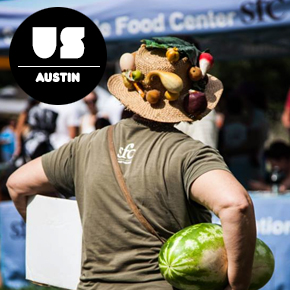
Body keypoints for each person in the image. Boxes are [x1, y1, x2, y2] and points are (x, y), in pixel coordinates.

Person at [7, 37, 256, 290]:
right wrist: (237, 285)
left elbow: (17, 185)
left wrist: (59, 240)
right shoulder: (189, 154)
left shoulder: (85, 145)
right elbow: (235, 205)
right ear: (191, 97)